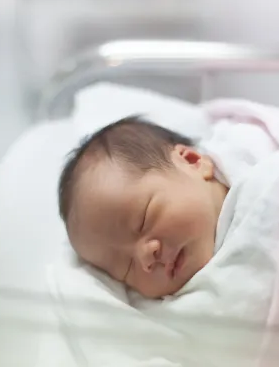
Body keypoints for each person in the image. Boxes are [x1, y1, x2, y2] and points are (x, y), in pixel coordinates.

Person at [58, 116, 228, 299]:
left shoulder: (254, 171)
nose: (146, 257)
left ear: (192, 161)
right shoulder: (178, 311)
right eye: (128, 268)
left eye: (144, 221)